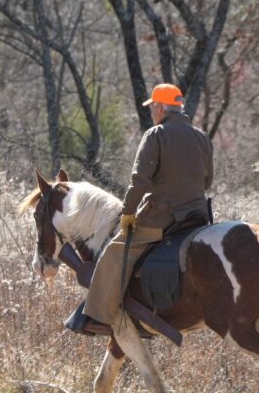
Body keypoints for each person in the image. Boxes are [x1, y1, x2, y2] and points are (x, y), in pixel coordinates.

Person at [80, 84, 213, 334]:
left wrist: (128, 212)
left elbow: (139, 180)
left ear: (160, 107)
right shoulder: (202, 137)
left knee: (114, 253)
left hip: (162, 218)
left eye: (153, 107)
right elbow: (208, 182)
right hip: (197, 217)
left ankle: (98, 318)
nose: (152, 111)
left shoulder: (156, 134)